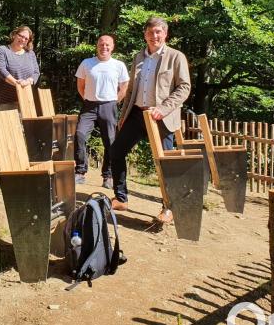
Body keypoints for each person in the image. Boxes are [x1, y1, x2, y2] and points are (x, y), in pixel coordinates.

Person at [110, 16, 191, 224]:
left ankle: (169, 208)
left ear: (165, 34)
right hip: (137, 114)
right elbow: (131, 90)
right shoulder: (139, 57)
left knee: (166, 163)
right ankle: (120, 198)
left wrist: (163, 109)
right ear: (145, 35)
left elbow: (184, 88)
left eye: (158, 32)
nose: (154, 36)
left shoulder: (176, 57)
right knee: (116, 152)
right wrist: (123, 115)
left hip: (162, 117)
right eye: (150, 32)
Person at [73, 35, 129, 188]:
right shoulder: (87, 63)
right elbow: (80, 85)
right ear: (97, 46)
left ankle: (108, 176)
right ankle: (80, 172)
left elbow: (124, 86)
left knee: (110, 141)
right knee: (80, 134)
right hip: (89, 106)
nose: (104, 47)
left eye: (107, 44)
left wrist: (114, 101)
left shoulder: (118, 65)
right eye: (101, 44)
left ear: (112, 47)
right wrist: (87, 98)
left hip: (109, 106)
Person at [0, 26, 40, 111]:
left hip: (26, 99)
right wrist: (18, 84)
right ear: (14, 35)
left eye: (26, 38)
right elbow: (1, 70)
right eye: (21, 36)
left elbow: (36, 72)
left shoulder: (30, 54)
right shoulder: (2, 50)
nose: (23, 39)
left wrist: (28, 81)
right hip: (7, 100)